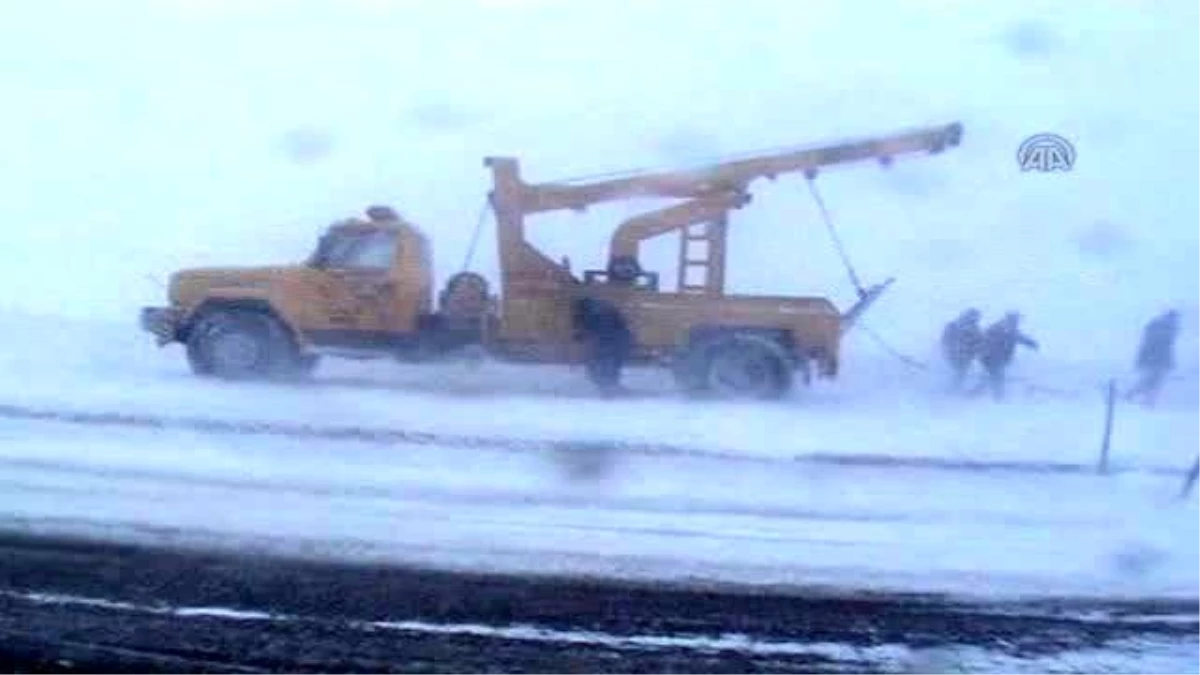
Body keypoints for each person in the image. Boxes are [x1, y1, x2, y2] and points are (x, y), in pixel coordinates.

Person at [972, 311, 1039, 400]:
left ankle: (975, 394)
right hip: (992, 358)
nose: (1018, 322)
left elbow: (1018, 337)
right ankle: (998, 398)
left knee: (989, 377)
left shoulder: (1006, 328)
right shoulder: (1003, 328)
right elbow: (1016, 337)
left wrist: (1030, 343)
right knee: (997, 378)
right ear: (1011, 319)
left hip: (992, 358)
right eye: (1016, 320)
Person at [1126, 309, 1181, 407]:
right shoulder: (1161, 328)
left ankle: (1145, 399)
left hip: (1158, 359)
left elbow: (1166, 347)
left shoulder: (1166, 328)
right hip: (1154, 358)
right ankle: (1140, 398)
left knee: (1154, 381)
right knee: (1151, 380)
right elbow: (1152, 344)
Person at [940, 308, 983, 392]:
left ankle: (953, 389)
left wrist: (975, 350)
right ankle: (950, 389)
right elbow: (945, 339)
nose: (975, 320)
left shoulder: (975, 328)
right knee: (958, 372)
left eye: (976, 318)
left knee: (960, 373)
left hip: (964, 356)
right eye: (974, 317)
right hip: (956, 354)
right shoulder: (954, 325)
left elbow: (979, 342)